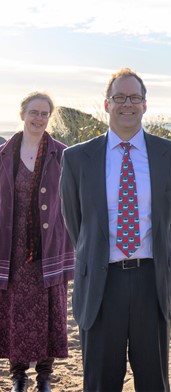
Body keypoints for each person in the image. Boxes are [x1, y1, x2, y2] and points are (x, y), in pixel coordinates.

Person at [60, 68, 171, 391]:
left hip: (151, 282)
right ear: (106, 104)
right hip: (101, 286)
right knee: (101, 384)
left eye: (134, 98)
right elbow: (77, 225)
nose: (126, 104)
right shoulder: (76, 159)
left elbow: (168, 218)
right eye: (119, 97)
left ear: (145, 104)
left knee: (154, 384)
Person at [0, 92, 74, 392]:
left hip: (49, 247)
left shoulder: (63, 154)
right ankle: (18, 375)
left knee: (49, 310)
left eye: (44, 113)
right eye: (34, 112)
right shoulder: (4, 155)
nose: (39, 118)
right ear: (22, 114)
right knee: (14, 309)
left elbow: (75, 200)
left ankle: (44, 375)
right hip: (11, 247)